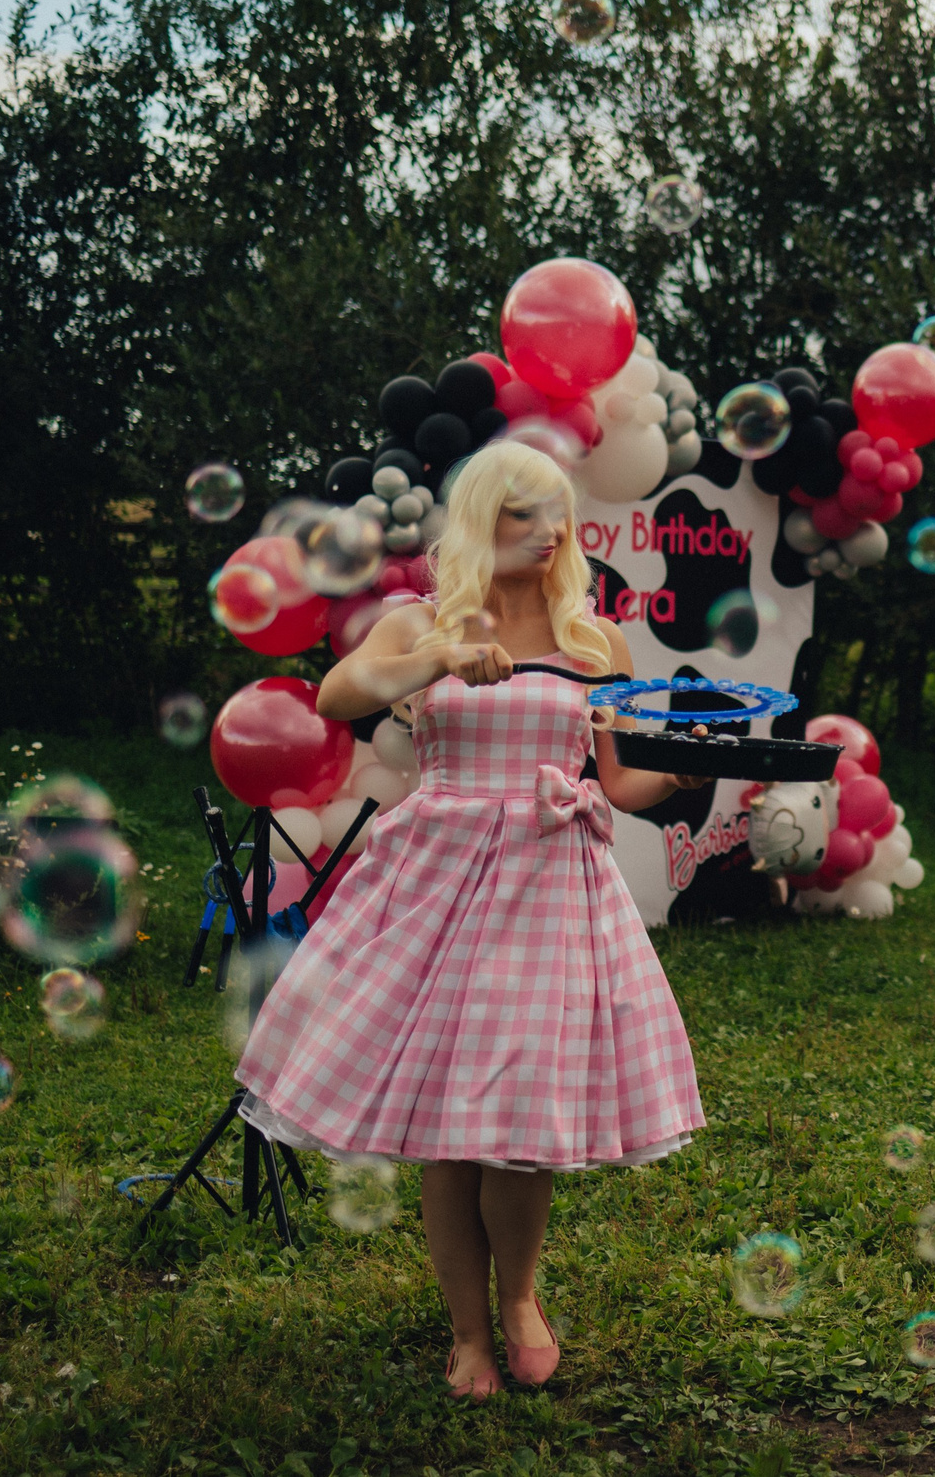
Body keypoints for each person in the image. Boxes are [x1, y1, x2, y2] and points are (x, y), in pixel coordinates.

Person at [235, 440, 707, 1401]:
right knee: (449, 1125)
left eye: (556, 512)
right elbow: (335, 696)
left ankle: (523, 1298)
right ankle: (467, 1335)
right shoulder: (420, 619)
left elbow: (619, 782)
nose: (548, 530)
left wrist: (683, 770)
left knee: (523, 1110)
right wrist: (443, 655)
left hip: (551, 881)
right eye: (522, 512)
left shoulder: (597, 641)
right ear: (481, 519)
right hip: (437, 881)